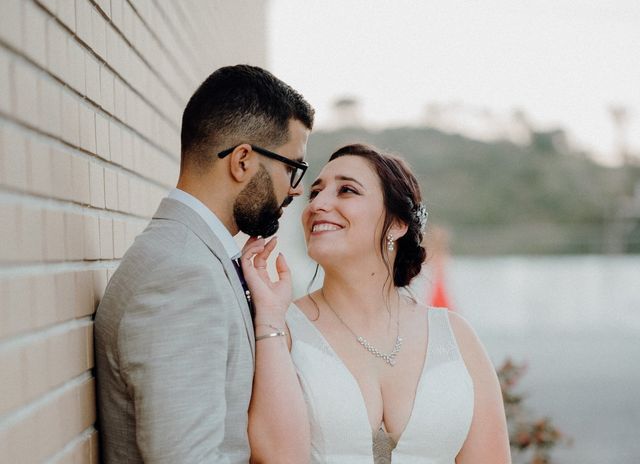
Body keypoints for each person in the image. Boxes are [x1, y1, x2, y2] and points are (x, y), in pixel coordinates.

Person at [94, 64, 314, 463]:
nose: (296, 189)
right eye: (292, 168)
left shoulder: (192, 255)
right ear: (243, 160)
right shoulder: (181, 273)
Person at [242, 143, 511, 463]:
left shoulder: (456, 338)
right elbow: (274, 457)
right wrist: (269, 320)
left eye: (346, 190)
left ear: (397, 224)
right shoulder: (280, 330)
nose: (317, 204)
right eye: (315, 193)